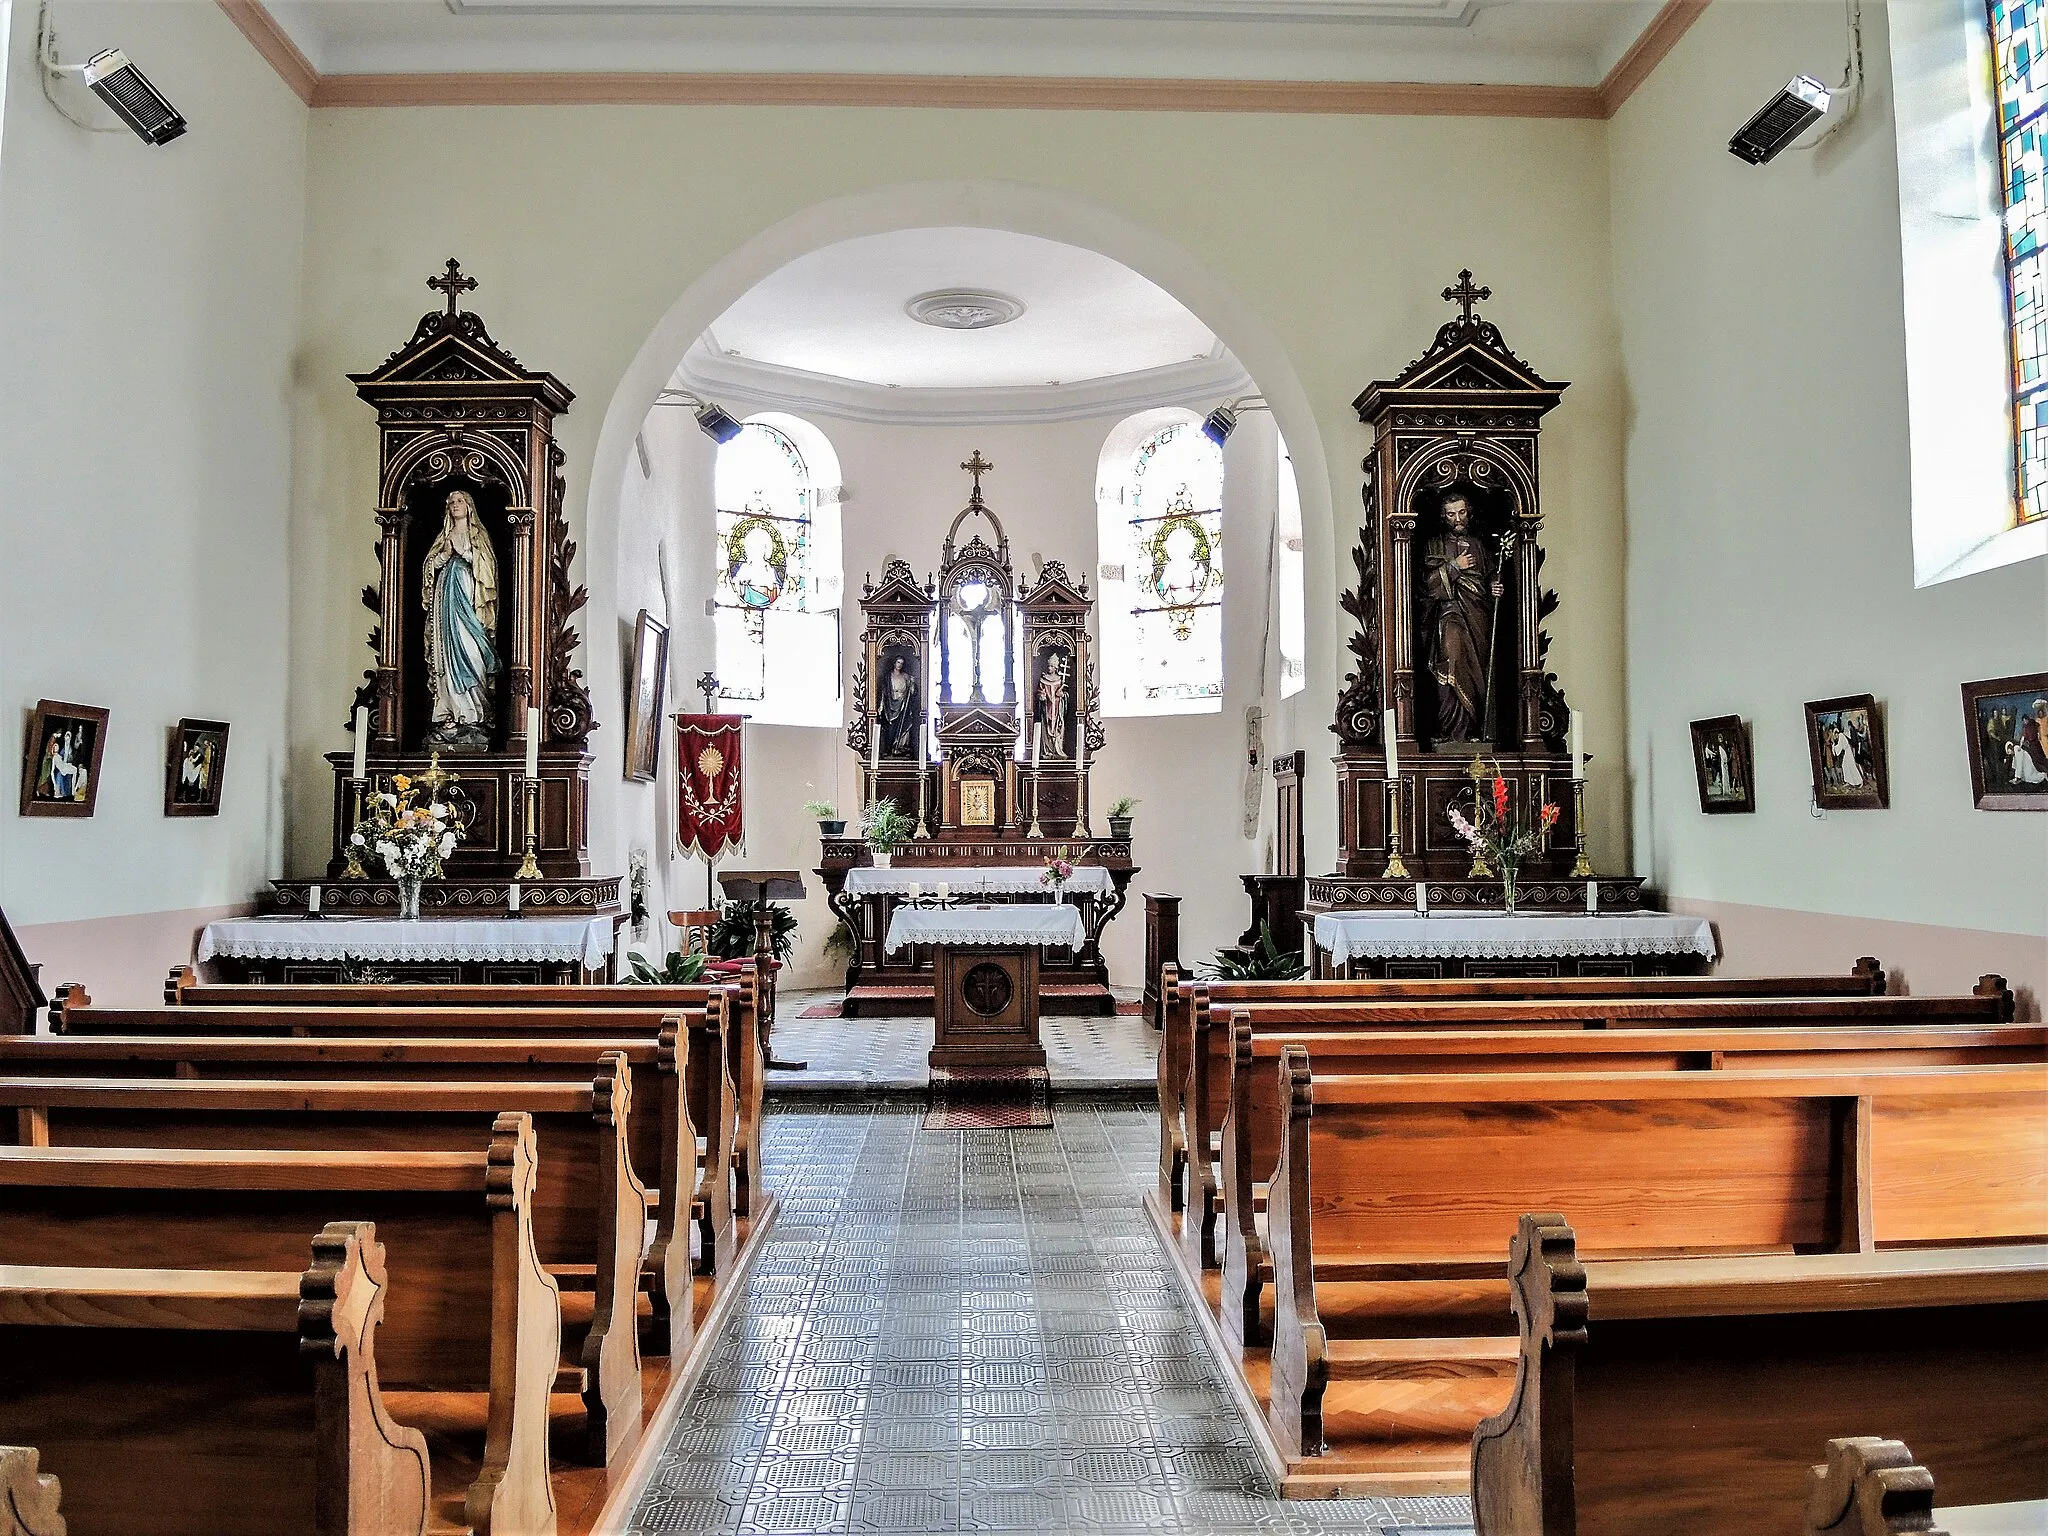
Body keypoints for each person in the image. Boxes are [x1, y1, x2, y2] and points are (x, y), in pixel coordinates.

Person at [1419, 492, 1505, 742]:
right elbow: (1427, 585)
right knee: (1451, 658)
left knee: (1476, 668)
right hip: (1449, 613)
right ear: (1443, 517)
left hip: (1478, 615)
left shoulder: (1479, 544)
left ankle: (1473, 730)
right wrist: (1454, 566)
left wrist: (1495, 586)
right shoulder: (1434, 544)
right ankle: (1450, 729)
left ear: (1469, 512)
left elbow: (1490, 575)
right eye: (1451, 514)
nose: (1457, 519)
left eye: (1461, 512)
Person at [421, 489, 501, 751]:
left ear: (469, 506)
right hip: (445, 603)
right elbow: (430, 566)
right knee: (444, 653)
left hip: (470, 600)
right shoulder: (443, 536)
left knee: (471, 651)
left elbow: (487, 572)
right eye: (451, 502)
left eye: (459, 501)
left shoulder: (478, 536)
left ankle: (474, 713)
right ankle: (449, 712)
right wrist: (443, 556)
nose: (455, 505)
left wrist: (466, 553)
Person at [879, 654, 919, 757]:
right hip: (890, 707)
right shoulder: (888, 677)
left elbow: (913, 692)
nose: (899, 665)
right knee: (890, 728)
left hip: (903, 706)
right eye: (898, 662)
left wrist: (912, 684)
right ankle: (889, 749)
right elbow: (884, 692)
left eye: (901, 663)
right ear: (894, 663)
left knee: (904, 725)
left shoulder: (906, 677)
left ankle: (900, 747)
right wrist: (881, 706)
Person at [2012, 699, 2048, 787]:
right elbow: (2023, 737)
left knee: (2041, 757)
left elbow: (2039, 729)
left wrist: (2039, 734)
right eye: (2023, 721)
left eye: (2025, 720)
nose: (2025, 722)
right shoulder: (2026, 727)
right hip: (2033, 744)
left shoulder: (2034, 723)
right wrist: (2020, 746)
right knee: (2036, 758)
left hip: (2038, 742)